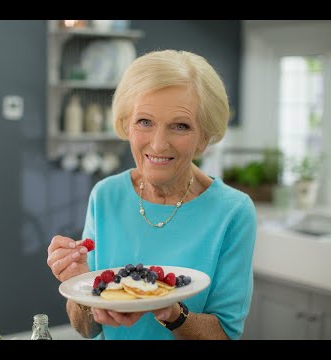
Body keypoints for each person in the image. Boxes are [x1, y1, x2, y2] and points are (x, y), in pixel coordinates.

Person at [47, 49, 257, 340]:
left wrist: (171, 312)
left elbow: (225, 334)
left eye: (180, 126)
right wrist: (80, 281)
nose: (158, 145)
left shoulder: (233, 212)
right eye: (144, 121)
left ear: (204, 138)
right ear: (126, 124)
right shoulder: (106, 196)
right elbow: (87, 329)